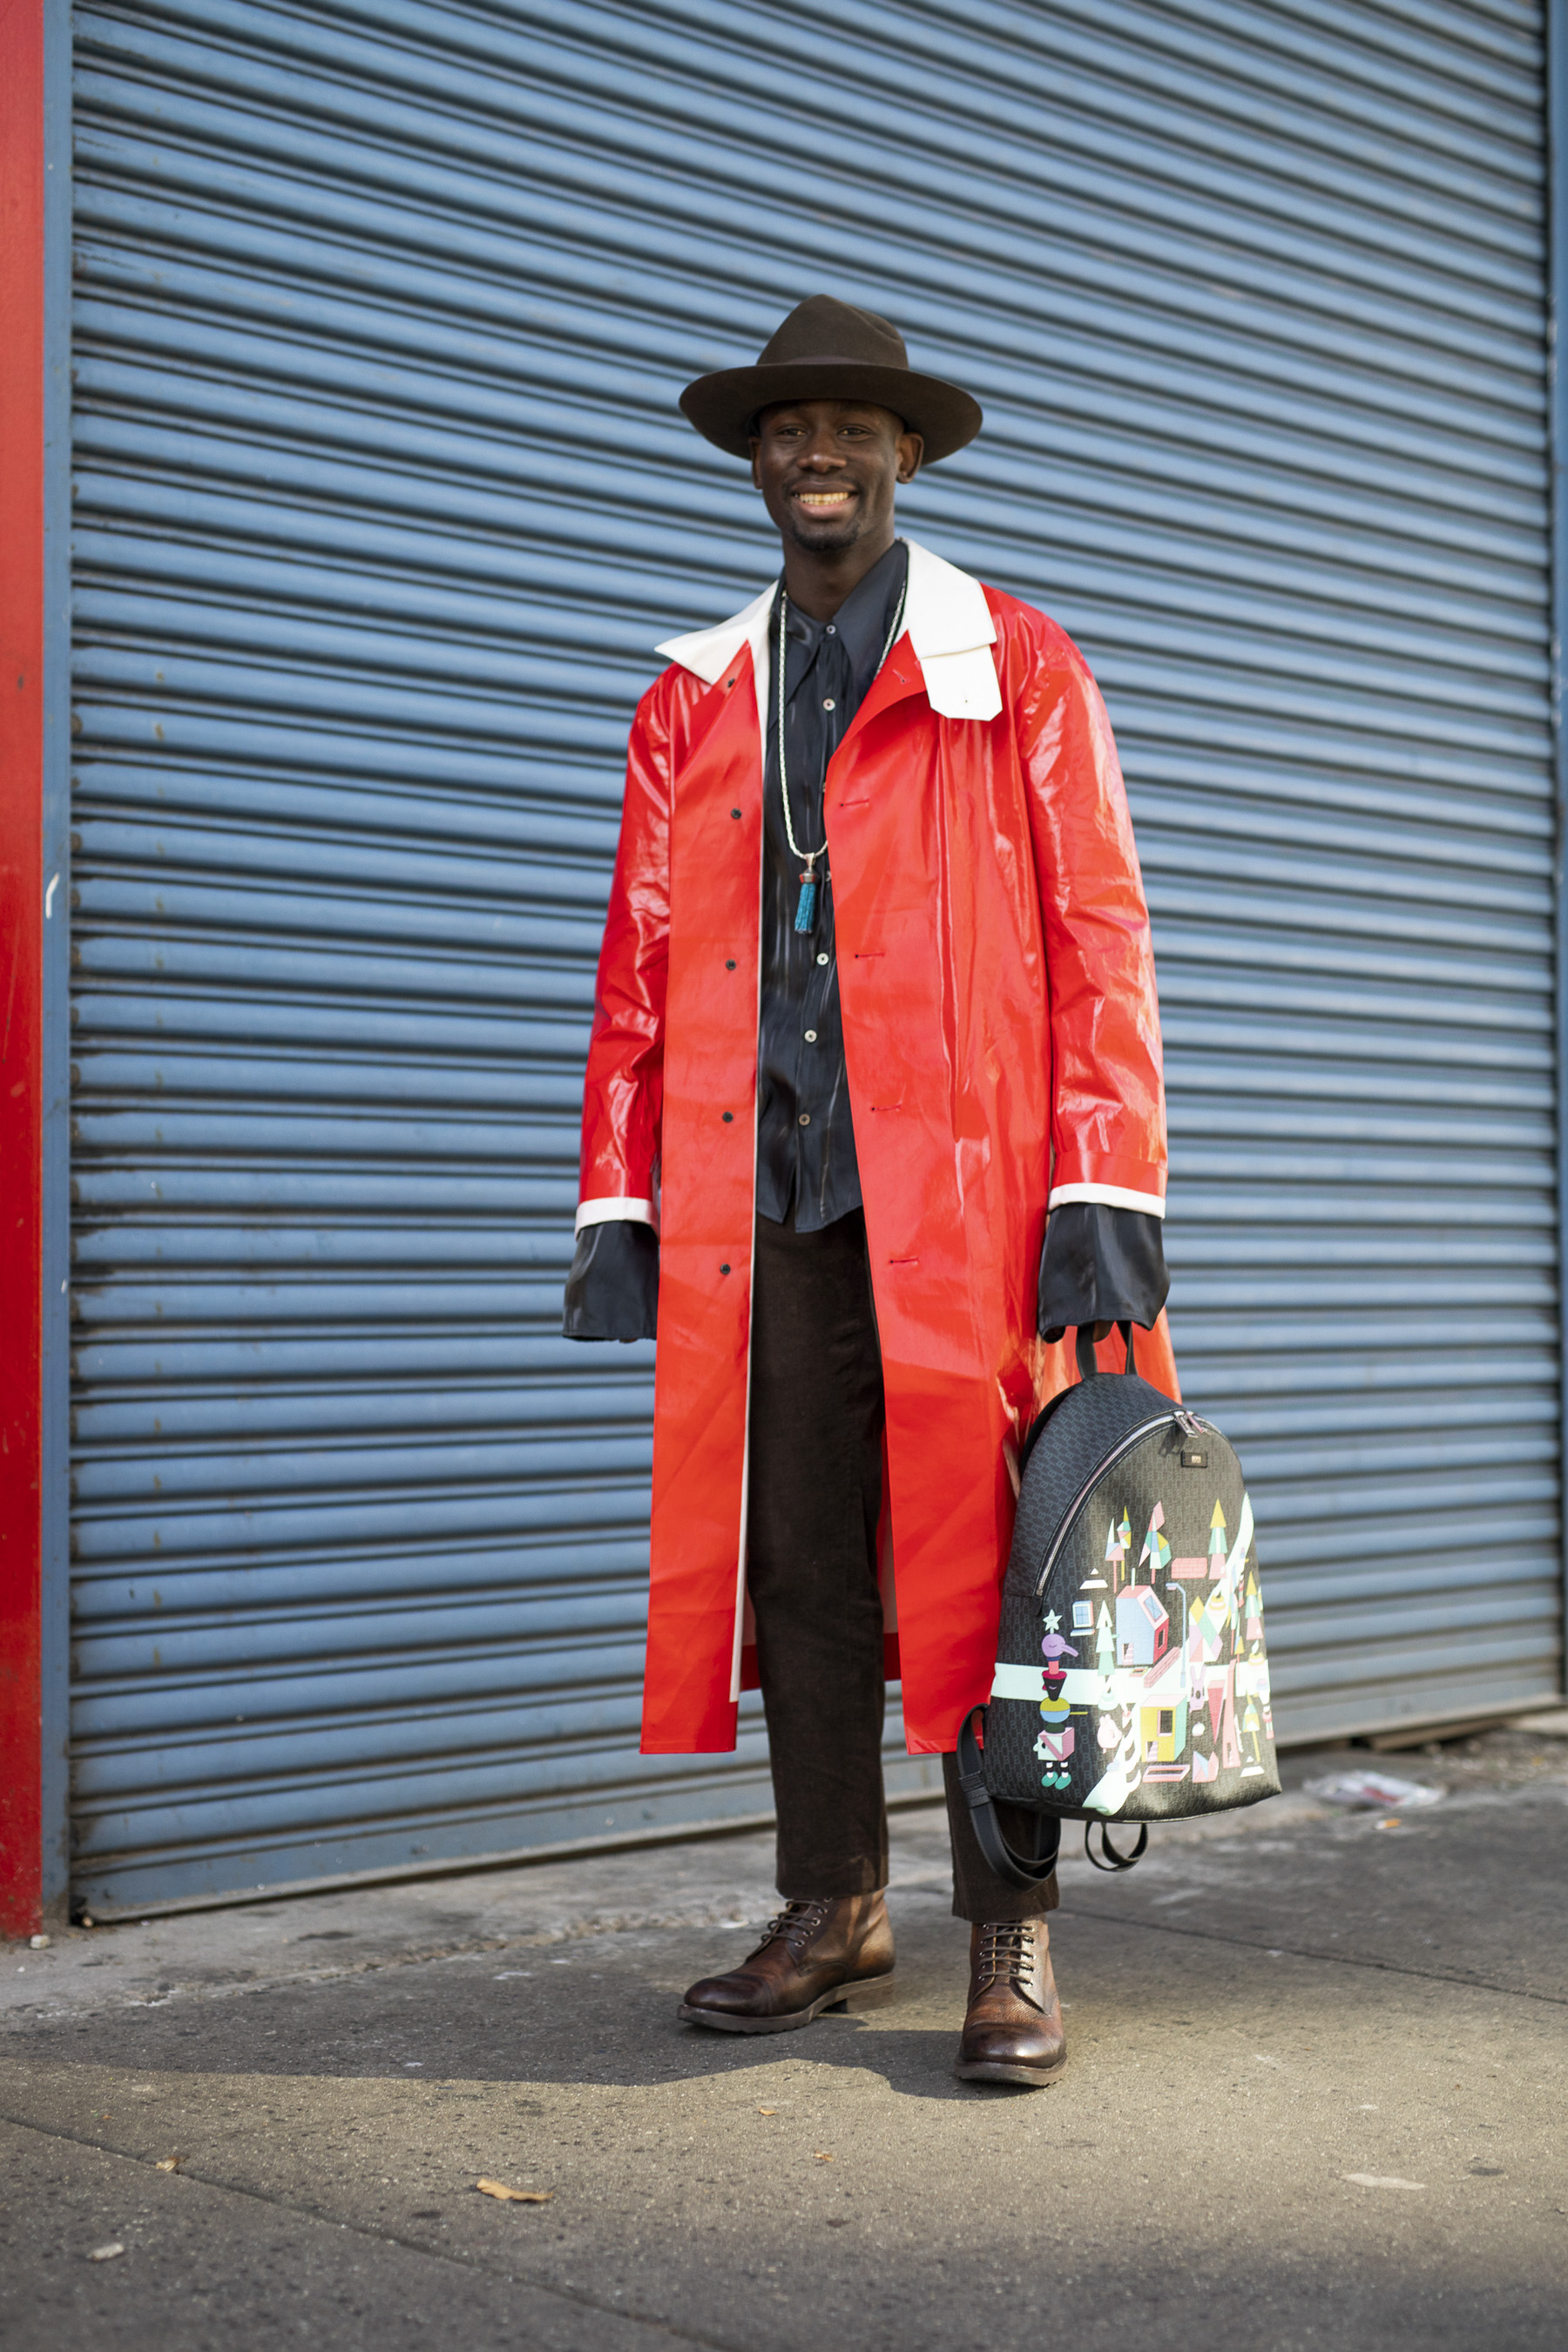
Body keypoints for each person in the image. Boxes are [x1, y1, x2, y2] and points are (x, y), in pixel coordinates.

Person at [564, 294, 1177, 2087]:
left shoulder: (1021, 669)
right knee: (806, 1564)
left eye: (850, 431)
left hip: (979, 1206)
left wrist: (1104, 1176)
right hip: (773, 1204)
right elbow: (641, 959)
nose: (815, 458)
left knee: (991, 1565)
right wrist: (620, 1200)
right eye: (786, 432)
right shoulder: (694, 697)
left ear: (906, 457)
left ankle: (1012, 1934)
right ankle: (835, 1903)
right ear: (756, 463)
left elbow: (1101, 934)